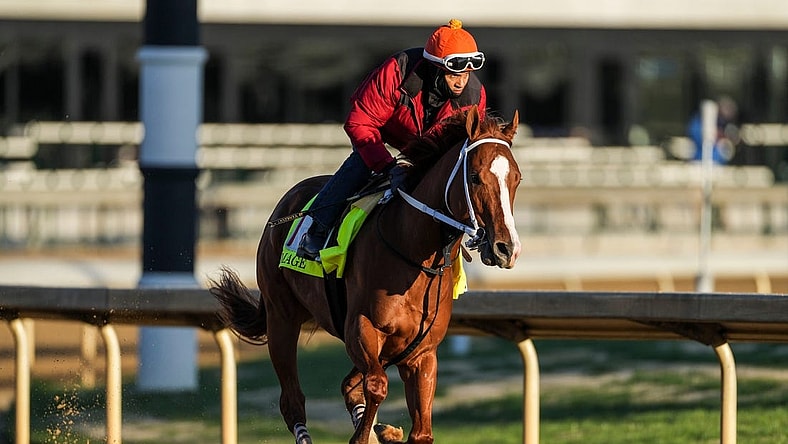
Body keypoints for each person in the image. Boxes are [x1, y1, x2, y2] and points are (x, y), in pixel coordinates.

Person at [297, 19, 488, 261]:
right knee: (363, 161)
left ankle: (481, 234)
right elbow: (359, 122)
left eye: (467, 74)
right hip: (384, 133)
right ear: (435, 68)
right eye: (453, 74)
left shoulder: (473, 95)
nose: (461, 82)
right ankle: (318, 227)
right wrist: (388, 167)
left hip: (433, 147)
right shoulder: (397, 71)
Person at [686, 96, 739, 165]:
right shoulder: (698, 122)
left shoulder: (724, 125)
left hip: (715, 161)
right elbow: (699, 138)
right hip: (699, 158)